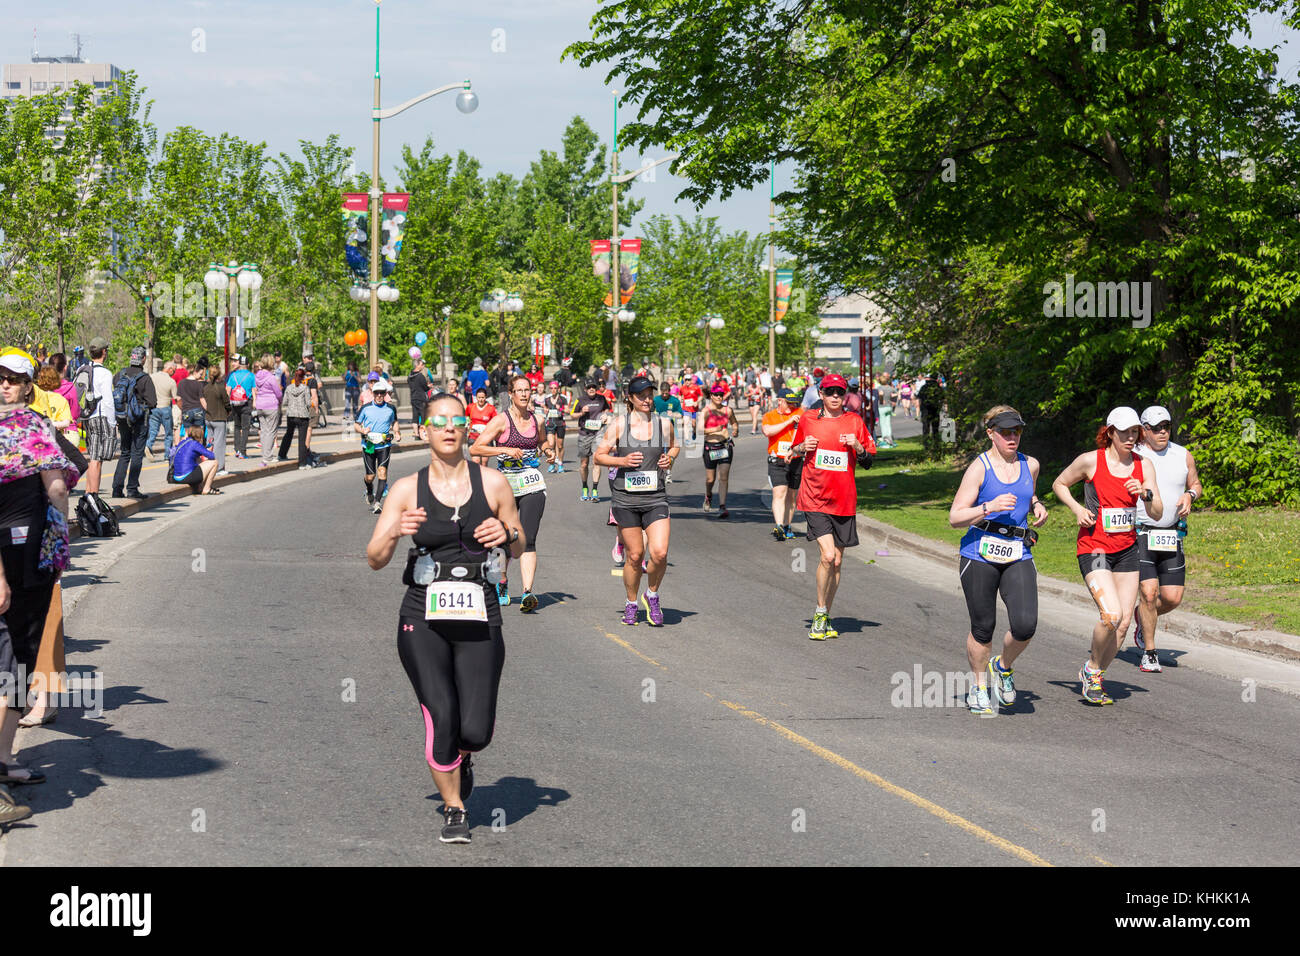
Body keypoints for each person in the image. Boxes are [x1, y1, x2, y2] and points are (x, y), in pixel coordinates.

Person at [366, 392, 524, 845]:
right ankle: (455, 809)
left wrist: (507, 531)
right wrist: (395, 530)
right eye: (440, 421)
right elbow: (374, 558)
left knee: (473, 730)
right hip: (422, 617)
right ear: (425, 429)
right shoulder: (404, 490)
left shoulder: (493, 484)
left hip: (480, 613)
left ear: (466, 428)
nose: (449, 428)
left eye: (457, 420)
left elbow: (520, 542)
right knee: (441, 711)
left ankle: (464, 754)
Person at [0, 351, 76, 792]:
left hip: (25, 556)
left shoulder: (35, 426)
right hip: (24, 553)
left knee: (20, 654)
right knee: (17, 652)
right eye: (2, 378)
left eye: (14, 379)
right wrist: (60, 538)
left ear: (30, 385)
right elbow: (58, 488)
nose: (6, 384)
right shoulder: (35, 428)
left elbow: (59, 486)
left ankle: (6, 756)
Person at [1052, 407, 1163, 705]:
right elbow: (1059, 483)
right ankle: (1093, 670)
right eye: (1124, 431)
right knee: (1111, 615)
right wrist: (1077, 509)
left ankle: (1093, 672)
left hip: (1127, 550)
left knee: (1125, 622)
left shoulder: (1144, 465)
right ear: (1110, 432)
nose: (1131, 437)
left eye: (1135, 431)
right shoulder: (1091, 460)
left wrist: (1145, 493)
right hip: (1095, 548)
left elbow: (1158, 511)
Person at [948, 407, 1049, 715]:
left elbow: (1027, 492)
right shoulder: (979, 468)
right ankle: (979, 688)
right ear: (990, 433)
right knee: (983, 626)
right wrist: (988, 506)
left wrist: (1037, 504)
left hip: (1017, 550)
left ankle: (1003, 666)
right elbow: (955, 517)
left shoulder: (1030, 464)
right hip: (979, 552)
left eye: (1016, 431)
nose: (1012, 437)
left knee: (1025, 625)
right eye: (1005, 432)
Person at [789, 373, 876, 639]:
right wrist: (803, 446)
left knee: (837, 561)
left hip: (843, 499)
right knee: (827, 556)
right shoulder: (808, 419)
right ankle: (818, 612)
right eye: (830, 392)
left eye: (840, 392)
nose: (835, 396)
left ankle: (826, 612)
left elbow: (869, 460)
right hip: (815, 497)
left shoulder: (854, 421)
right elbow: (792, 452)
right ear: (821, 394)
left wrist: (858, 446)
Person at [594, 375, 677, 626]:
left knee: (660, 553)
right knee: (634, 555)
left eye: (649, 394)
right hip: (626, 499)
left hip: (656, 497)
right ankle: (631, 602)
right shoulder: (620, 425)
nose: (647, 399)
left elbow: (674, 447)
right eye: (641, 395)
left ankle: (651, 595)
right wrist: (621, 461)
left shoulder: (664, 424)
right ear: (630, 398)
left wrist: (670, 458)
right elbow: (599, 455)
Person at [470, 376, 555, 611]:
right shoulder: (501, 421)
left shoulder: (538, 419)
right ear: (511, 394)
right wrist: (505, 449)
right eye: (519, 391)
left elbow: (541, 441)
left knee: (528, 538)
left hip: (531, 482)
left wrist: (548, 450)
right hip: (505, 485)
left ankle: (528, 593)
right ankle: (502, 581)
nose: (524, 394)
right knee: (504, 539)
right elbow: (475, 447)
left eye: (527, 390)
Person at [1133, 405, 1202, 673]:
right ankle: (1150, 652)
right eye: (1156, 428)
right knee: (1149, 594)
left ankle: (1143, 617)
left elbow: (1195, 484)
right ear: (1144, 430)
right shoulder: (1134, 455)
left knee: (1172, 598)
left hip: (1171, 533)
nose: (1162, 432)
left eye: (1166, 426)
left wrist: (1190, 496)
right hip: (1140, 532)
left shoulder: (1183, 455)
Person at [111, 345, 158, 500]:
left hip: (122, 419)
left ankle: (117, 489)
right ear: (143, 359)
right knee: (137, 453)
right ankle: (132, 488)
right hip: (139, 420)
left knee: (125, 453)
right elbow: (152, 402)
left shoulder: (119, 374)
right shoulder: (144, 378)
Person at [72, 337, 116, 498]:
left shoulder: (82, 369)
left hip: (87, 417)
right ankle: (93, 497)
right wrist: (112, 422)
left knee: (93, 457)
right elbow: (108, 400)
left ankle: (88, 493)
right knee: (97, 460)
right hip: (101, 416)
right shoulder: (105, 373)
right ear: (104, 352)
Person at [762, 389, 804, 540]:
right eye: (789, 402)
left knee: (792, 496)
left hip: (796, 459)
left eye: (794, 402)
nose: (792, 405)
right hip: (777, 460)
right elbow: (768, 431)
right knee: (779, 493)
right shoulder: (770, 416)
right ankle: (779, 526)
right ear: (780, 401)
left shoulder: (801, 412)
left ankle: (787, 525)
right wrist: (789, 421)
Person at [355, 379, 400, 512]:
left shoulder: (391, 408)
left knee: (382, 472)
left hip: (384, 445)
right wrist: (362, 430)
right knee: (370, 476)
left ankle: (377, 502)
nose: (379, 395)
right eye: (377, 393)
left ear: (385, 393)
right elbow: (356, 424)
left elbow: (395, 422)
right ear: (373, 394)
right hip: (368, 445)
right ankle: (369, 491)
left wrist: (397, 432)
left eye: (382, 393)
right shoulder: (366, 408)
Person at [700, 385, 739, 518]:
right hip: (710, 447)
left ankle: (722, 506)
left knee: (723, 477)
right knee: (710, 479)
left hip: (725, 446)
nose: (719, 397)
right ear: (711, 396)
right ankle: (708, 495)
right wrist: (714, 429)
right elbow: (699, 430)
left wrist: (735, 429)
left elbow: (734, 422)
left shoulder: (728, 410)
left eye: (721, 395)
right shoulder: (705, 411)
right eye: (716, 394)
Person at [575, 379, 611, 502]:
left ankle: (595, 490)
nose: (591, 389)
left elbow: (607, 409)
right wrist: (581, 412)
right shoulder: (580, 400)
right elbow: (572, 414)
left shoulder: (601, 399)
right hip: (584, 434)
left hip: (598, 433)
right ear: (585, 389)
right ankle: (585, 487)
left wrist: (605, 415)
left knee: (597, 461)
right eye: (589, 387)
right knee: (584, 464)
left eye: (593, 387)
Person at [168, 425, 220, 494]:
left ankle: (200, 486)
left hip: (176, 477)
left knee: (198, 459)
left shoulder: (182, 442)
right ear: (200, 436)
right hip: (186, 476)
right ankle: (206, 488)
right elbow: (212, 456)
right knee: (214, 463)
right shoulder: (195, 444)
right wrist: (208, 450)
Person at [279, 367, 313, 468]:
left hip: (291, 415)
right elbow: (308, 403)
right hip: (302, 416)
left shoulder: (289, 388)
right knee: (302, 440)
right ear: (303, 378)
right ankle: (302, 463)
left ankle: (282, 454)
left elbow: (284, 402)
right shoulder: (305, 388)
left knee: (288, 434)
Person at [254, 354, 283, 468]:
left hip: (260, 405)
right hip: (271, 405)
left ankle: (265, 455)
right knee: (271, 431)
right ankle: (268, 456)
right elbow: (278, 393)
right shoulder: (271, 377)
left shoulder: (257, 376)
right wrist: (280, 400)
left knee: (264, 431)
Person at [203, 366, 232, 475]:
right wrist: (229, 411)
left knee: (210, 443)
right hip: (219, 418)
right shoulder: (220, 388)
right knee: (219, 444)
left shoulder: (205, 388)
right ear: (219, 375)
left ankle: (209, 465)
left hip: (209, 418)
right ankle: (219, 468)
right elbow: (227, 403)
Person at [148, 359, 180, 461]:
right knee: (169, 433)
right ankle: (167, 455)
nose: (174, 373)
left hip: (154, 408)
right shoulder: (171, 381)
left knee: (153, 431)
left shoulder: (152, 377)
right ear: (169, 369)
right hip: (165, 408)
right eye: (174, 370)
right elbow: (175, 397)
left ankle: (148, 445)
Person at [226, 355, 256, 459]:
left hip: (234, 403)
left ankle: (237, 449)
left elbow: (228, 390)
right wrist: (255, 402)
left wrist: (227, 404)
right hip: (246, 403)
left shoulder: (232, 375)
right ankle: (243, 451)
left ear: (239, 364)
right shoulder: (251, 376)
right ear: (248, 364)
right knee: (245, 427)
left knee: (237, 427)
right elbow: (254, 390)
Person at [542, 380, 569, 474]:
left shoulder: (562, 398)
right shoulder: (547, 399)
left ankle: (560, 463)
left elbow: (567, 410)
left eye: (555, 388)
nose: (553, 390)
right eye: (551, 388)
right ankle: (552, 463)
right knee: (551, 444)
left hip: (560, 423)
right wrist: (545, 410)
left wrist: (560, 408)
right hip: (550, 423)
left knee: (560, 446)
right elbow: (545, 408)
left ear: (558, 389)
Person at [918, 373, 945, 454]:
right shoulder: (938, 387)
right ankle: (936, 444)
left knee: (926, 427)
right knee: (935, 428)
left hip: (925, 409)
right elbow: (942, 398)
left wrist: (921, 409)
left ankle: (926, 444)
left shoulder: (924, 387)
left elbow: (920, 398)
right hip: (935, 409)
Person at [409, 355, 431, 442]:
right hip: (421, 398)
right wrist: (429, 386)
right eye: (422, 364)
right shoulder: (420, 376)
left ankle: (416, 434)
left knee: (415, 417)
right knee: (423, 415)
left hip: (413, 397)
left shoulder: (410, 376)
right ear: (417, 365)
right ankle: (423, 434)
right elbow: (425, 388)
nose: (423, 366)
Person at [875, 372, 897, 448]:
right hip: (889, 406)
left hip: (882, 407)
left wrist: (881, 400)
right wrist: (892, 400)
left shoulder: (880, 388)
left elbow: (880, 394)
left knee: (883, 423)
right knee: (888, 423)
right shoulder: (891, 388)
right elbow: (895, 394)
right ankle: (889, 437)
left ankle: (885, 438)